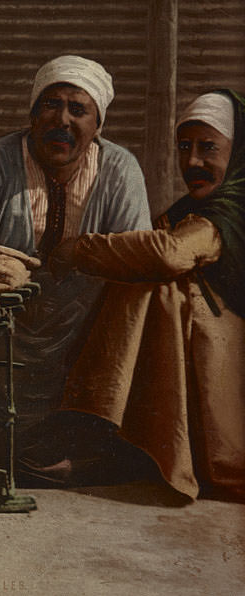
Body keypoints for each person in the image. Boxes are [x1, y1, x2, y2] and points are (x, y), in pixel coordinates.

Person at [47, 89, 245, 502]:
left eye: (208, 148)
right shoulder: (188, 209)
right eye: (184, 147)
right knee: (138, 269)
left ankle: (110, 441)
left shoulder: (232, 208)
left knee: (159, 283)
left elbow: (171, 253)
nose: (192, 162)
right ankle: (116, 439)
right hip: (210, 353)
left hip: (229, 369)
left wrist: (79, 250)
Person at [0, 54, 152, 435]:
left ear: (97, 125)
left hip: (81, 335)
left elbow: (132, 257)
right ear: (33, 115)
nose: (62, 121)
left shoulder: (120, 169)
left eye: (78, 109)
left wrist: (83, 251)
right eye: (51, 105)